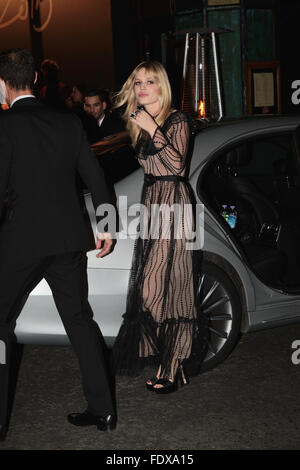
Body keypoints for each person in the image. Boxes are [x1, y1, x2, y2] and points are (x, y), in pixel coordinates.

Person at [0, 49, 116, 441]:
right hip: (68, 237)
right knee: (80, 321)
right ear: (34, 79)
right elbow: (95, 176)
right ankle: (104, 411)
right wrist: (106, 223)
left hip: (22, 241)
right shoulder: (69, 121)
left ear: (3, 83)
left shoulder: (4, 125)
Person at [112, 61, 209, 393]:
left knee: (175, 287)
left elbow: (177, 166)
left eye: (149, 82)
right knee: (151, 290)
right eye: (137, 82)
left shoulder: (177, 119)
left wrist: (154, 129)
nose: (141, 88)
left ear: (161, 86)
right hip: (154, 204)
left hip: (175, 205)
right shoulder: (139, 123)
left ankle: (173, 366)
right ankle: (164, 356)